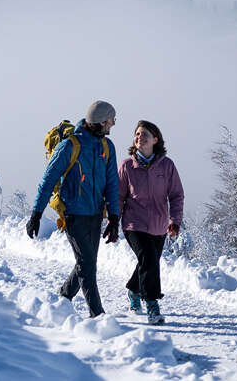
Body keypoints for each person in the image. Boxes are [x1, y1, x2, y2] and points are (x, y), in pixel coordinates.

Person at [26, 100, 120, 318]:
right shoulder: (69, 145)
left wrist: (114, 218)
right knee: (87, 265)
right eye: (112, 120)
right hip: (74, 215)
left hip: (96, 215)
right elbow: (47, 181)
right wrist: (36, 214)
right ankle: (98, 316)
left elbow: (112, 183)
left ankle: (64, 297)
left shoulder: (107, 147)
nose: (114, 124)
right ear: (102, 121)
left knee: (86, 263)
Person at [118, 120, 184, 325]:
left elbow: (176, 195)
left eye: (145, 134)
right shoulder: (127, 166)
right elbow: (118, 197)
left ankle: (133, 289)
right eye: (137, 134)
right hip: (133, 224)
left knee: (148, 262)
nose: (140, 137)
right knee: (148, 258)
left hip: (158, 225)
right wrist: (112, 222)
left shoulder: (167, 165)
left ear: (156, 139)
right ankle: (152, 305)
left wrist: (175, 220)